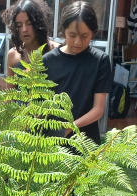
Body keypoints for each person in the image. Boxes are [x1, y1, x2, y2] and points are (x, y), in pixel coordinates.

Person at [42, 1, 112, 146]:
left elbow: (98, 110)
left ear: (93, 32)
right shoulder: (48, 60)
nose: (78, 42)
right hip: (52, 138)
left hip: (85, 141)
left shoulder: (100, 61)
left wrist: (70, 127)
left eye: (85, 36)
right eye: (72, 35)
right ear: (63, 30)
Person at [2, 0, 58, 76]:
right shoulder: (12, 54)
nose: (24, 29)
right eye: (19, 25)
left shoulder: (56, 51)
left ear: (39, 23)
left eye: (29, 23)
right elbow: (9, 87)